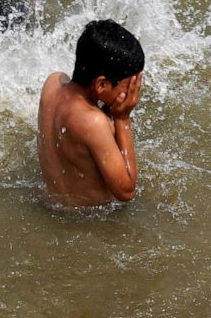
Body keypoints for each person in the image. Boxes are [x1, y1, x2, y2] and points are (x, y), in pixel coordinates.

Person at [37, 19, 145, 206]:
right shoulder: (93, 122)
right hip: (89, 219)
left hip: (53, 207)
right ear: (101, 84)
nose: (132, 95)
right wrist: (122, 119)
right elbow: (126, 191)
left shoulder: (52, 83)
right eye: (128, 87)